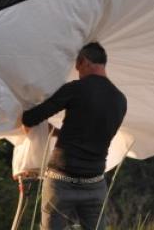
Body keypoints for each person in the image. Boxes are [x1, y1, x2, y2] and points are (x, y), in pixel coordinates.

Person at [21, 42, 127, 230]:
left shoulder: (76, 88)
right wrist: (59, 132)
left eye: (77, 66)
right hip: (94, 184)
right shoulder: (120, 99)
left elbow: (30, 118)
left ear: (84, 62)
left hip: (61, 183)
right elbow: (93, 132)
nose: (77, 71)